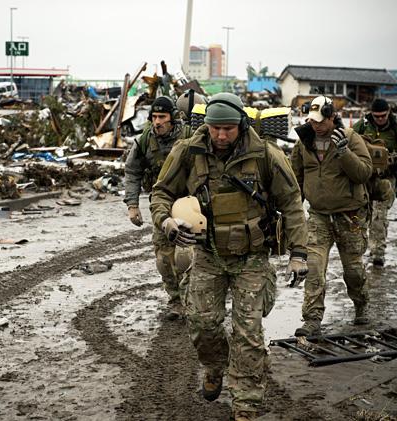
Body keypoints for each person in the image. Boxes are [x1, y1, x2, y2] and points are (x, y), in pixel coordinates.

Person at [150, 93, 308, 420]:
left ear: (241, 125)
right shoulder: (188, 152)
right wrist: (166, 220)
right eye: (214, 128)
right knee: (202, 324)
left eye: (228, 129)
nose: (220, 136)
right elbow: (161, 192)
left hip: (252, 257)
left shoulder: (266, 155)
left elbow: (292, 203)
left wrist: (299, 253)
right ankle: (214, 366)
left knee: (248, 333)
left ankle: (245, 405)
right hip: (207, 254)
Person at [291, 96, 373, 337]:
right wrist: (290, 213)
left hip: (350, 217)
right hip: (318, 216)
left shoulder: (350, 138)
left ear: (331, 117)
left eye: (320, 121)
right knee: (313, 268)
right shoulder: (304, 142)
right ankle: (312, 320)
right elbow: (294, 180)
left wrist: (344, 152)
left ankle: (361, 304)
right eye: (311, 121)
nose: (315, 126)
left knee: (353, 271)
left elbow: (364, 173)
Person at [123, 96, 192, 320]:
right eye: (153, 117)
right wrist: (132, 205)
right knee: (164, 259)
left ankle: (193, 300)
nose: (157, 122)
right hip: (160, 205)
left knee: (187, 256)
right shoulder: (145, 141)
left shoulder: (189, 136)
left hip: (190, 205)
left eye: (162, 117)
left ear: (173, 117)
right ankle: (175, 301)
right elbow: (133, 172)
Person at [353, 98, 397, 267]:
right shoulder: (363, 124)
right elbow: (348, 139)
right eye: (376, 116)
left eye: (383, 116)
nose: (379, 120)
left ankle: (378, 254)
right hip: (364, 178)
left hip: (386, 178)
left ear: (388, 113)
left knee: (379, 214)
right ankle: (358, 253)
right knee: (361, 215)